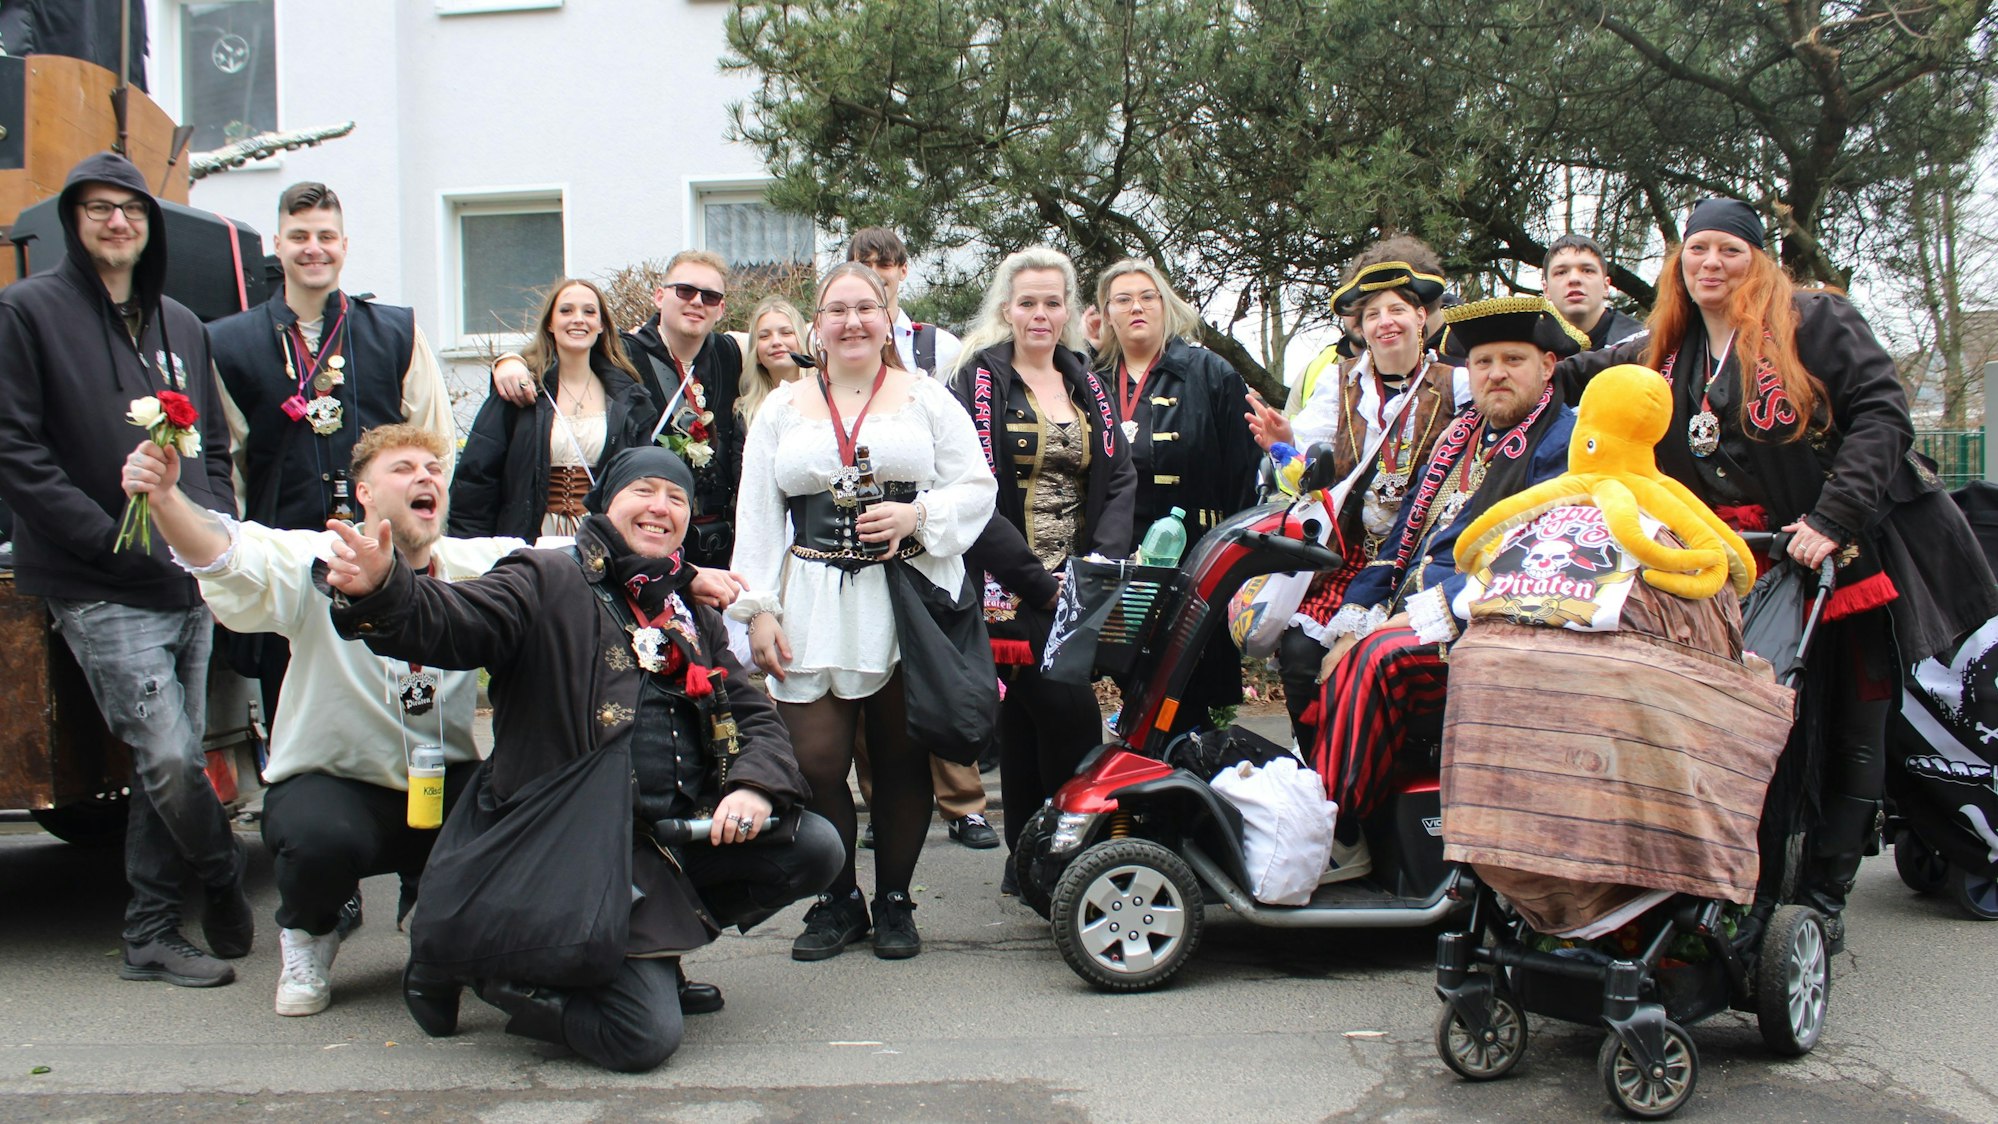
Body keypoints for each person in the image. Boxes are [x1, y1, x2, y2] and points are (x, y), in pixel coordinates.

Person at [1561, 197, 1998, 950]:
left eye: (1730, 250)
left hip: (1834, 551)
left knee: (1851, 720)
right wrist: (1515, 365)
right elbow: (1585, 376)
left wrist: (1832, 518)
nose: (1711, 264)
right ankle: (1742, 884)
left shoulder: (1815, 323)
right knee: (1745, 726)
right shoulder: (1668, 343)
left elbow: (1884, 415)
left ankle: (1824, 896)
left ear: (1760, 260)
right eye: (1698, 250)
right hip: (1732, 568)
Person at [324, 446, 842, 1072]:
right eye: (643, 492)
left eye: (676, 498)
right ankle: (490, 969)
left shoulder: (687, 609)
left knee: (815, 847)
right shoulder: (546, 578)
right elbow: (458, 619)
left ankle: (651, 951)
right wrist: (386, 589)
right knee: (642, 1038)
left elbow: (751, 712)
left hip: (662, 837)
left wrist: (755, 787)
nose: (660, 508)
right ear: (605, 505)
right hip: (561, 840)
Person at [119, 424, 502, 1016]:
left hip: (441, 781)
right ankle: (310, 933)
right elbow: (223, 553)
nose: (425, 477)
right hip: (335, 784)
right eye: (403, 468)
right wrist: (168, 499)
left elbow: (572, 559)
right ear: (365, 494)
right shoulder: (316, 561)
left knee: (517, 805)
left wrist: (684, 572)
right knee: (318, 841)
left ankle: (433, 906)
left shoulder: (474, 565)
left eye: (432, 468)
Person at [0, 152, 250, 986]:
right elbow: (16, 450)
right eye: (100, 209)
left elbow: (211, 446)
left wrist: (215, 535)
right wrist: (111, 537)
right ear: (74, 220)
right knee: (172, 754)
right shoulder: (27, 312)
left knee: (158, 767)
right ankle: (220, 875)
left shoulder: (181, 322)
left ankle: (147, 930)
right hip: (97, 582)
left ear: (150, 227)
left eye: (132, 211)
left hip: (186, 577)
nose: (117, 223)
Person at [730, 262, 997, 960]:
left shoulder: (927, 399)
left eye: (865, 309)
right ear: (816, 327)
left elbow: (976, 486)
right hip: (811, 596)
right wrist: (757, 608)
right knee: (815, 760)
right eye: (837, 311)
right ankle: (839, 897)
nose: (852, 322)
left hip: (903, 596)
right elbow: (756, 518)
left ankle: (896, 901)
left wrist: (918, 514)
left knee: (900, 759)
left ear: (887, 320)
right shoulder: (781, 409)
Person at [1310, 297, 1583, 877]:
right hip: (1418, 611)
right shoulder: (1460, 435)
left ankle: (1336, 826)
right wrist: (1354, 618)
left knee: (1378, 659)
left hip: (1498, 622)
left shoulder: (1565, 440)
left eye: (1514, 359)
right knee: (1324, 650)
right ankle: (1356, 820)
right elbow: (1400, 541)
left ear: (1549, 365)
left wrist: (1418, 615)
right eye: (1483, 362)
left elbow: (1537, 555)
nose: (1497, 374)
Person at [209, 181, 456, 723]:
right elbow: (226, 463)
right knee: (293, 705)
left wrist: (423, 534)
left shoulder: (396, 331)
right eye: (299, 236)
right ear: (278, 244)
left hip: (386, 555)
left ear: (345, 245)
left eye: (325, 235)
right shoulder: (228, 343)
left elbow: (434, 441)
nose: (312, 248)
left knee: (399, 694)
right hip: (289, 552)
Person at [950, 247, 1135, 882]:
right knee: (1069, 716)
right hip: (1007, 582)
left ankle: (1027, 862)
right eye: (1027, 302)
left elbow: (1119, 482)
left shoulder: (1088, 378)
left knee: (1029, 723)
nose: (1040, 314)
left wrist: (1095, 568)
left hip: (1076, 581)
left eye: (1052, 302)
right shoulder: (977, 380)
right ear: (1007, 309)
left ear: (1070, 311)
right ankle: (1069, 857)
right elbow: (971, 493)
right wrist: (1039, 582)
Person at [1244, 239, 1467, 747]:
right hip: (1352, 556)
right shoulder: (1340, 384)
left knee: (1399, 660)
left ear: (1421, 316)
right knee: (1300, 655)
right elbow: (1305, 460)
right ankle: (1322, 770)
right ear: (1359, 328)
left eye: (1397, 309)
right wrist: (1285, 444)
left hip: (1422, 559)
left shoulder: (1460, 384)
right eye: (1372, 314)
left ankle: (1389, 765)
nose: (1386, 321)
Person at [494, 251, 747, 567]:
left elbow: (786, 336)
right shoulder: (623, 355)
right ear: (659, 296)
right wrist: (510, 362)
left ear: (721, 308)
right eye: (685, 291)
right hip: (649, 533)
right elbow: (563, 360)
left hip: (719, 541)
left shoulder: (729, 353)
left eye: (709, 296)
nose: (696, 301)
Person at [1094, 258, 1259, 714]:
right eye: (1123, 300)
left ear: (1166, 306)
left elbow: (1243, 476)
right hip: (1119, 558)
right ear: (1106, 314)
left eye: (1148, 297)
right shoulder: (1088, 378)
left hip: (1197, 559)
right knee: (1135, 683)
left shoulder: (1211, 373)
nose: (1137, 308)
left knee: (1195, 686)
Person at [451, 279, 658, 541]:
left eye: (589, 312)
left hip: (600, 542)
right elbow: (478, 478)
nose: (578, 319)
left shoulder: (628, 399)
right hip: (527, 539)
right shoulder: (522, 391)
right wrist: (470, 550)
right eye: (566, 311)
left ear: (602, 324)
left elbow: (643, 480)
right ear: (550, 323)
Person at [848, 226, 964, 377]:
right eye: (865, 265)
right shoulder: (829, 346)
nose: (874, 274)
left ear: (903, 270)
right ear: (849, 271)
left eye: (884, 264)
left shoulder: (941, 348)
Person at [1543, 233, 1645, 352]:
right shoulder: (1529, 348)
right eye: (1561, 272)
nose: (1574, 279)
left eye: (1587, 270)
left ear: (1605, 286)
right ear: (1546, 289)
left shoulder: (1642, 344)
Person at [738, 296, 810, 424]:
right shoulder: (745, 413)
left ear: (801, 342)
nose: (776, 342)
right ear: (756, 354)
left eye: (786, 333)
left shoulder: (825, 397)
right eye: (764, 336)